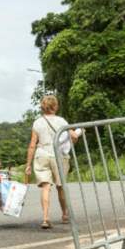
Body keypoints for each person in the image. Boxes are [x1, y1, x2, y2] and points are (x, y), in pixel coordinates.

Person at [25, 95, 77, 229]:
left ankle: (45, 218)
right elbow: (74, 136)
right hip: (58, 155)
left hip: (41, 154)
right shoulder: (61, 121)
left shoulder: (37, 122)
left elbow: (32, 144)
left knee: (45, 187)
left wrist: (28, 165)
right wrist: (73, 140)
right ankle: (65, 214)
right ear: (55, 106)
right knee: (61, 186)